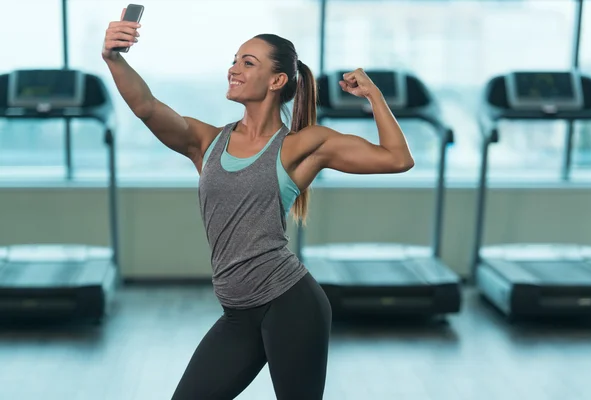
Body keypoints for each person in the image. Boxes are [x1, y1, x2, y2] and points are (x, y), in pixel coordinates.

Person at [102, 8, 414, 400]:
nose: (233, 68)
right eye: (234, 60)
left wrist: (373, 94)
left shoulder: (301, 145)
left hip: (292, 305)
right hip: (238, 314)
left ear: (276, 80)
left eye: (248, 63)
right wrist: (113, 58)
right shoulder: (207, 141)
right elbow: (146, 106)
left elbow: (397, 158)